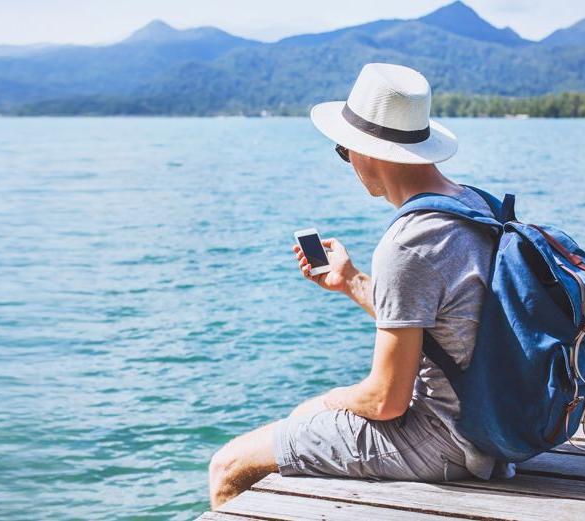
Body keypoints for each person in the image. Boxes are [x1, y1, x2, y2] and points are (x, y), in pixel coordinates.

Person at [208, 63, 513, 509]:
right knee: (301, 425)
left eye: (342, 150)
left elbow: (386, 400)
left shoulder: (409, 241)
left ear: (366, 152)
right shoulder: (474, 205)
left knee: (230, 465)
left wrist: (327, 401)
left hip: (447, 439)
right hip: (495, 423)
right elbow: (447, 323)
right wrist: (350, 281)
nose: (348, 163)